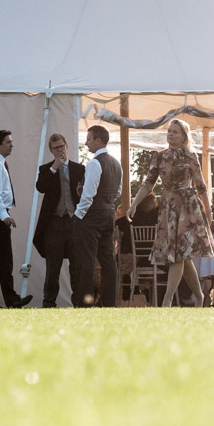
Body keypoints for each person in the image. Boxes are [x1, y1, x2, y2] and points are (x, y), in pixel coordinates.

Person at [129, 119, 214, 307]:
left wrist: (208, 210)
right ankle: (199, 296)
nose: (170, 134)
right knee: (182, 256)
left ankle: (167, 300)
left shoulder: (190, 156)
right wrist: (134, 204)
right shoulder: (159, 156)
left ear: (184, 136)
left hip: (187, 209)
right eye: (169, 131)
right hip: (168, 208)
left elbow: (201, 186)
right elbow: (148, 183)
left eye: (175, 132)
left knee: (179, 255)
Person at [0, 129, 33, 309]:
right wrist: (4, 216)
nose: (12, 145)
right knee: (4, 259)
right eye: (8, 142)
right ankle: (11, 299)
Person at [71, 124, 122, 307]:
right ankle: (109, 302)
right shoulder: (116, 163)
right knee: (108, 262)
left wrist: (78, 214)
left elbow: (88, 195)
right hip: (109, 213)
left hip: (91, 216)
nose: (86, 143)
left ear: (98, 140)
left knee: (87, 261)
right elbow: (118, 192)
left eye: (89, 139)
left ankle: (84, 303)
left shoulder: (95, 163)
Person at [33, 132, 85, 308]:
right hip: (54, 224)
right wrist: (54, 167)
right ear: (51, 151)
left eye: (62, 146)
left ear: (67, 146)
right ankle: (49, 303)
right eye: (56, 148)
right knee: (53, 268)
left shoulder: (79, 169)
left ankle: (79, 303)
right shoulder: (45, 169)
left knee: (76, 266)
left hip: (74, 222)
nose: (60, 150)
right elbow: (40, 187)